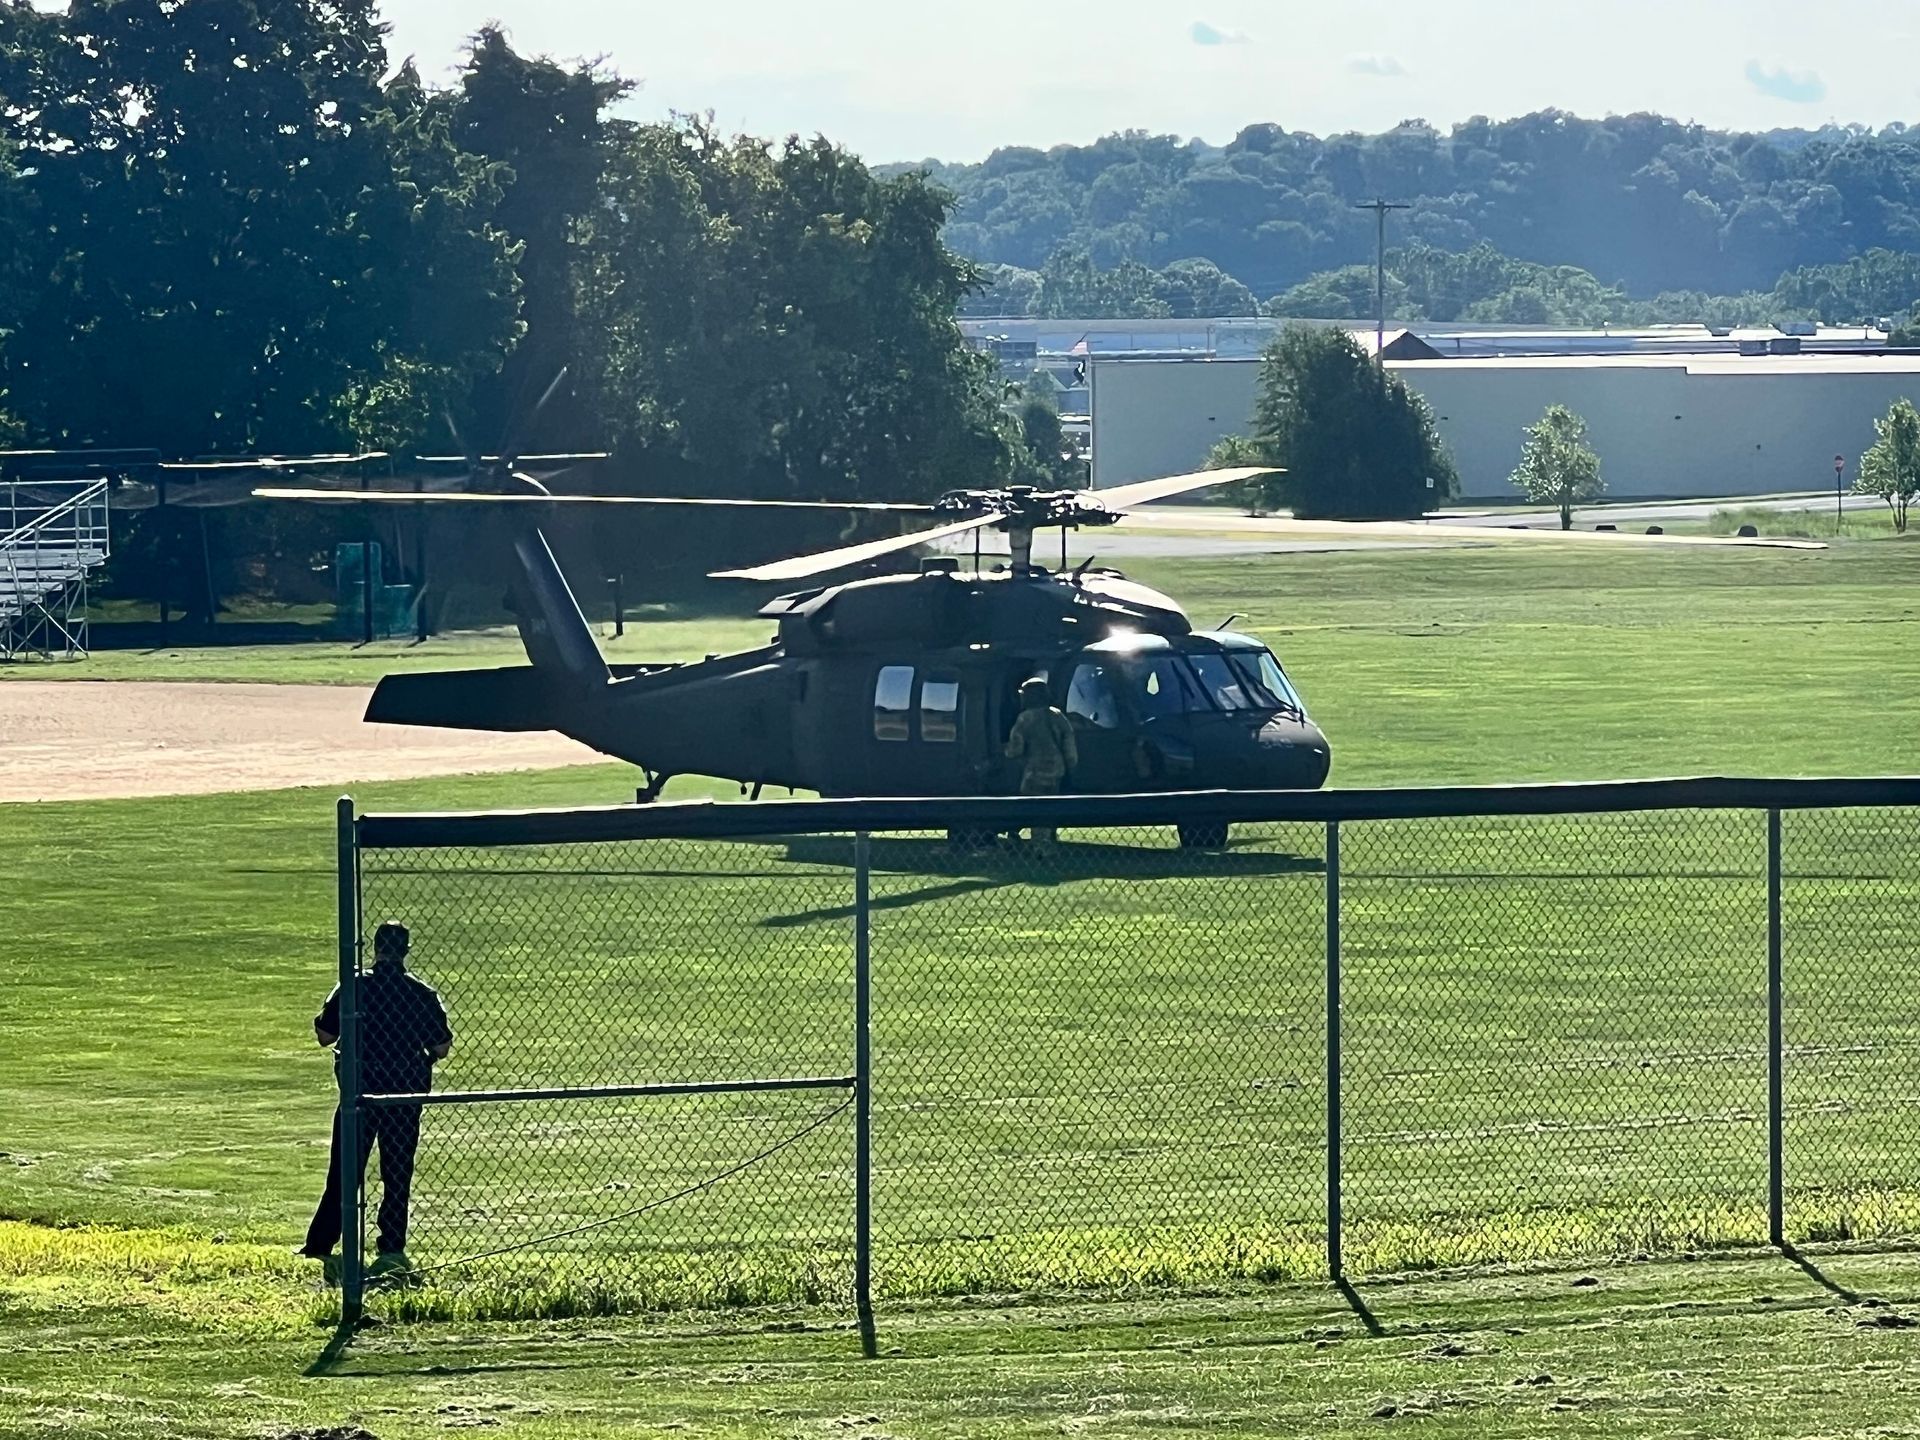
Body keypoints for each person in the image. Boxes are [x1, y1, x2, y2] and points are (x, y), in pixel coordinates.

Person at [298, 920, 452, 1277]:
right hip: (403, 1091)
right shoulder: (421, 993)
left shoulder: (353, 986)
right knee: (397, 1171)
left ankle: (321, 1243)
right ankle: (391, 1246)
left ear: (375, 947)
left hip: (359, 1089)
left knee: (344, 1170)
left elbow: (324, 1035)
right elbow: (441, 1046)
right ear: (407, 950)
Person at [1004, 675, 1077, 845]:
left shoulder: (1025, 718)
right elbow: (1070, 747)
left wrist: (1005, 751)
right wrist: (1070, 768)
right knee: (1051, 810)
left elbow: (1015, 749)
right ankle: (1048, 841)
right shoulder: (1057, 715)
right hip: (1058, 771)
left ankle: (1039, 847)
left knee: (1032, 810)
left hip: (1035, 773)